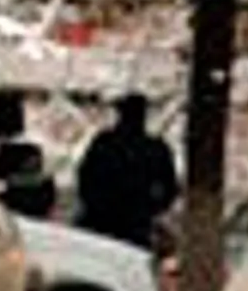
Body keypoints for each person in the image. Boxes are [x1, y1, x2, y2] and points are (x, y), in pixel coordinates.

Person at [71, 93, 177, 251]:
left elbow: (84, 177)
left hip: (116, 220)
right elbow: (169, 189)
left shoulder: (105, 143)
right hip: (118, 220)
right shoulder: (154, 148)